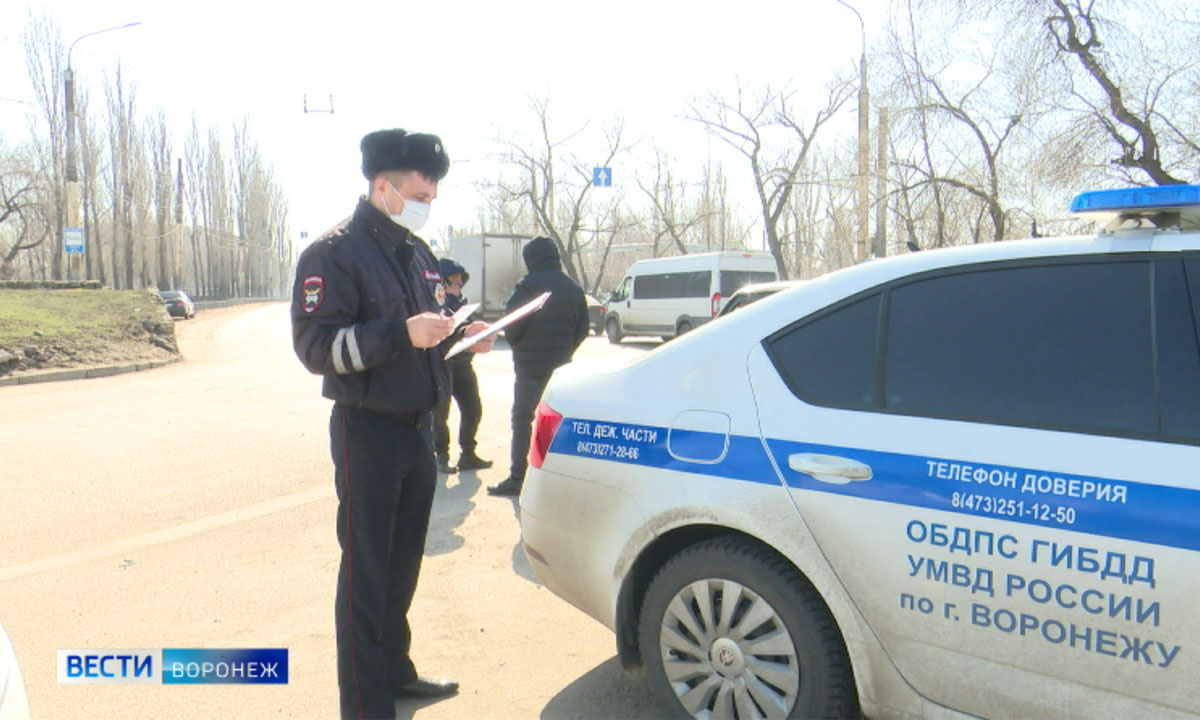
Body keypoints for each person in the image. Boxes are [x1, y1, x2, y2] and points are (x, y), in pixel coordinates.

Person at [291, 128, 493, 720]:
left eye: (432, 193)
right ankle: (364, 701)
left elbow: (433, 323)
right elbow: (315, 349)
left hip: (417, 432)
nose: (427, 202)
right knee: (367, 574)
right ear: (383, 186)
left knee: (403, 564)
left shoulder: (415, 251)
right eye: (419, 191)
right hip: (367, 433)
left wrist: (462, 334)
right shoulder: (334, 253)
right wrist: (399, 334)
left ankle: (396, 674)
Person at [488, 236, 589, 497]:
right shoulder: (573, 289)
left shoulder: (527, 287)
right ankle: (555, 479)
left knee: (523, 420)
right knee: (556, 423)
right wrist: (565, 349)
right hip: (560, 369)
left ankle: (518, 478)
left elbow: (511, 325)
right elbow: (582, 330)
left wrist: (521, 347)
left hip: (529, 369)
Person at [433, 257, 492, 474]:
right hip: (443, 366)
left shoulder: (465, 307)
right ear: (443, 284)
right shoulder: (435, 304)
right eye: (454, 283)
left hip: (463, 366)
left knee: (473, 409)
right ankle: (441, 455)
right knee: (440, 414)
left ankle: (468, 453)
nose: (458, 287)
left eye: (460, 283)